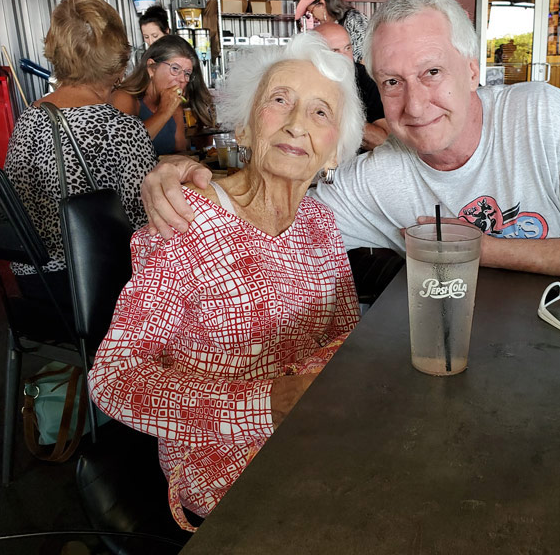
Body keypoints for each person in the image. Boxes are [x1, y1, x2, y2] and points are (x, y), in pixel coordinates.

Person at [142, 0, 560, 281]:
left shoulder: (539, 116)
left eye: (432, 72)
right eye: (392, 82)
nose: (414, 105)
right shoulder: (378, 178)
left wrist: (477, 249)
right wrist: (185, 181)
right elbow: (267, 219)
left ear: (471, 70)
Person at [88, 32, 363, 530]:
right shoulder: (186, 219)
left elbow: (345, 335)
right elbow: (115, 379)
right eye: (279, 101)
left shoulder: (320, 223)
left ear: (334, 153)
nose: (297, 123)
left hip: (318, 435)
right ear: (244, 125)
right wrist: (269, 403)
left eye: (321, 112)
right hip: (221, 462)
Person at [5, 0, 157, 307]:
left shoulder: (28, 118)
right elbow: (145, 225)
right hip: (94, 287)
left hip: (33, 286)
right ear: (119, 61)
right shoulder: (122, 128)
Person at [112, 35, 214, 155]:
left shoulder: (175, 106)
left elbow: (180, 153)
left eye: (187, 73)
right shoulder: (125, 98)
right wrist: (164, 111)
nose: (182, 79)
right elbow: (123, 147)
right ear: (152, 68)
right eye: (175, 69)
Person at [313, 22, 388, 151]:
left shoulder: (363, 77)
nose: (345, 58)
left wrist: (341, 118)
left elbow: (383, 141)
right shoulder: (305, 79)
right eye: (335, 51)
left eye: (347, 48)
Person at [295, 0, 369, 63]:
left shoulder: (354, 18)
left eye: (311, 11)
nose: (313, 16)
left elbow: (365, 58)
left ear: (322, 4)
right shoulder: (329, 25)